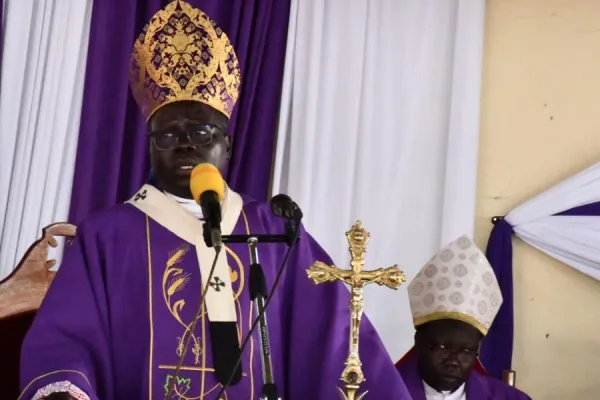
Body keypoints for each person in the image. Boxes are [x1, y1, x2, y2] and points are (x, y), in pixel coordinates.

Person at [18, 1, 412, 399]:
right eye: (168, 136)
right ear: (151, 148)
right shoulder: (107, 237)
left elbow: (333, 336)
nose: (186, 144)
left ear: (228, 146)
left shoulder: (275, 233)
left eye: (203, 132)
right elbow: (65, 339)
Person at [396, 235, 531, 400]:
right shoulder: (378, 393)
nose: (453, 361)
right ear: (418, 341)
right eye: (442, 347)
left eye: (466, 351)